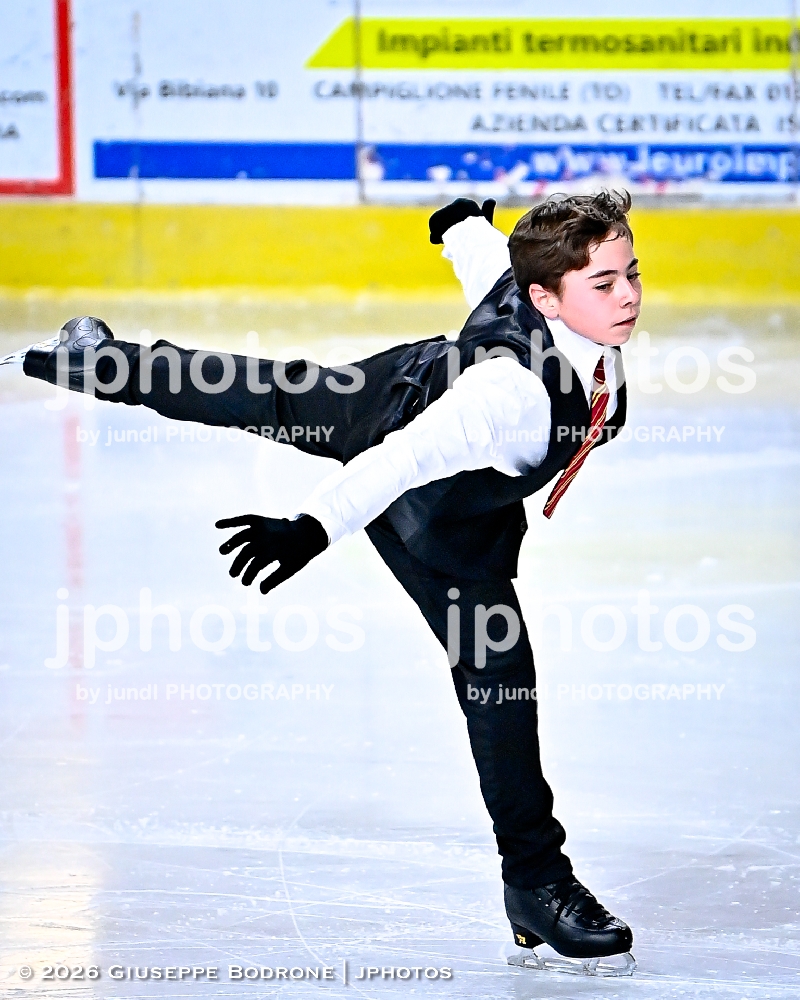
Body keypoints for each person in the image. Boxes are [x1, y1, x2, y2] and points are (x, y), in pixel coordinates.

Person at [11, 191, 641, 972]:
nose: (627, 296)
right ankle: (538, 884)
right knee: (499, 677)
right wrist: (309, 529)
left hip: (405, 392)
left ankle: (103, 361)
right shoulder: (509, 397)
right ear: (547, 298)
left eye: (630, 273)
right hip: (424, 495)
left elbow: (492, 274)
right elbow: (400, 461)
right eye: (604, 283)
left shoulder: (541, 301)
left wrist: (460, 226)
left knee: (276, 392)